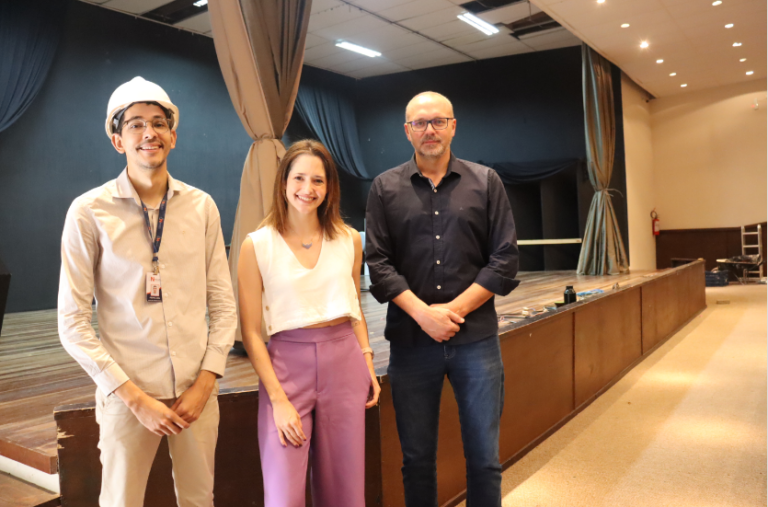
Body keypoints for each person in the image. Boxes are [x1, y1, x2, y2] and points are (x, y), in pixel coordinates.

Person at [58, 76, 237, 507]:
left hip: (196, 391)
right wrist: (134, 400)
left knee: (199, 499)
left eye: (158, 123)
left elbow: (223, 304)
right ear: (117, 140)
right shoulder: (88, 212)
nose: (149, 133)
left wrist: (206, 381)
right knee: (121, 501)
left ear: (173, 136)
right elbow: (72, 323)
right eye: (135, 124)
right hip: (127, 394)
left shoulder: (202, 207)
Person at [365, 91, 519, 507]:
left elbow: (504, 258)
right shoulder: (384, 188)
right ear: (407, 131)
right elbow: (378, 263)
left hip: (477, 342)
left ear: (453, 126)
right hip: (411, 345)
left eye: (437, 121)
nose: (429, 130)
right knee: (416, 460)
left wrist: (451, 312)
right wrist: (423, 315)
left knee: (484, 460)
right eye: (420, 123)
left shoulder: (486, 182)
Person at [237, 139, 381, 507]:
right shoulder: (257, 245)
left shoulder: (348, 239)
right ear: (283, 182)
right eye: (299, 178)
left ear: (329, 187)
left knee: (345, 491)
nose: (307, 188)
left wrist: (367, 360)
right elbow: (251, 332)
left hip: (344, 363)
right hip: (286, 368)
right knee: (283, 496)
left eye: (318, 180)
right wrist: (278, 399)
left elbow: (353, 307)